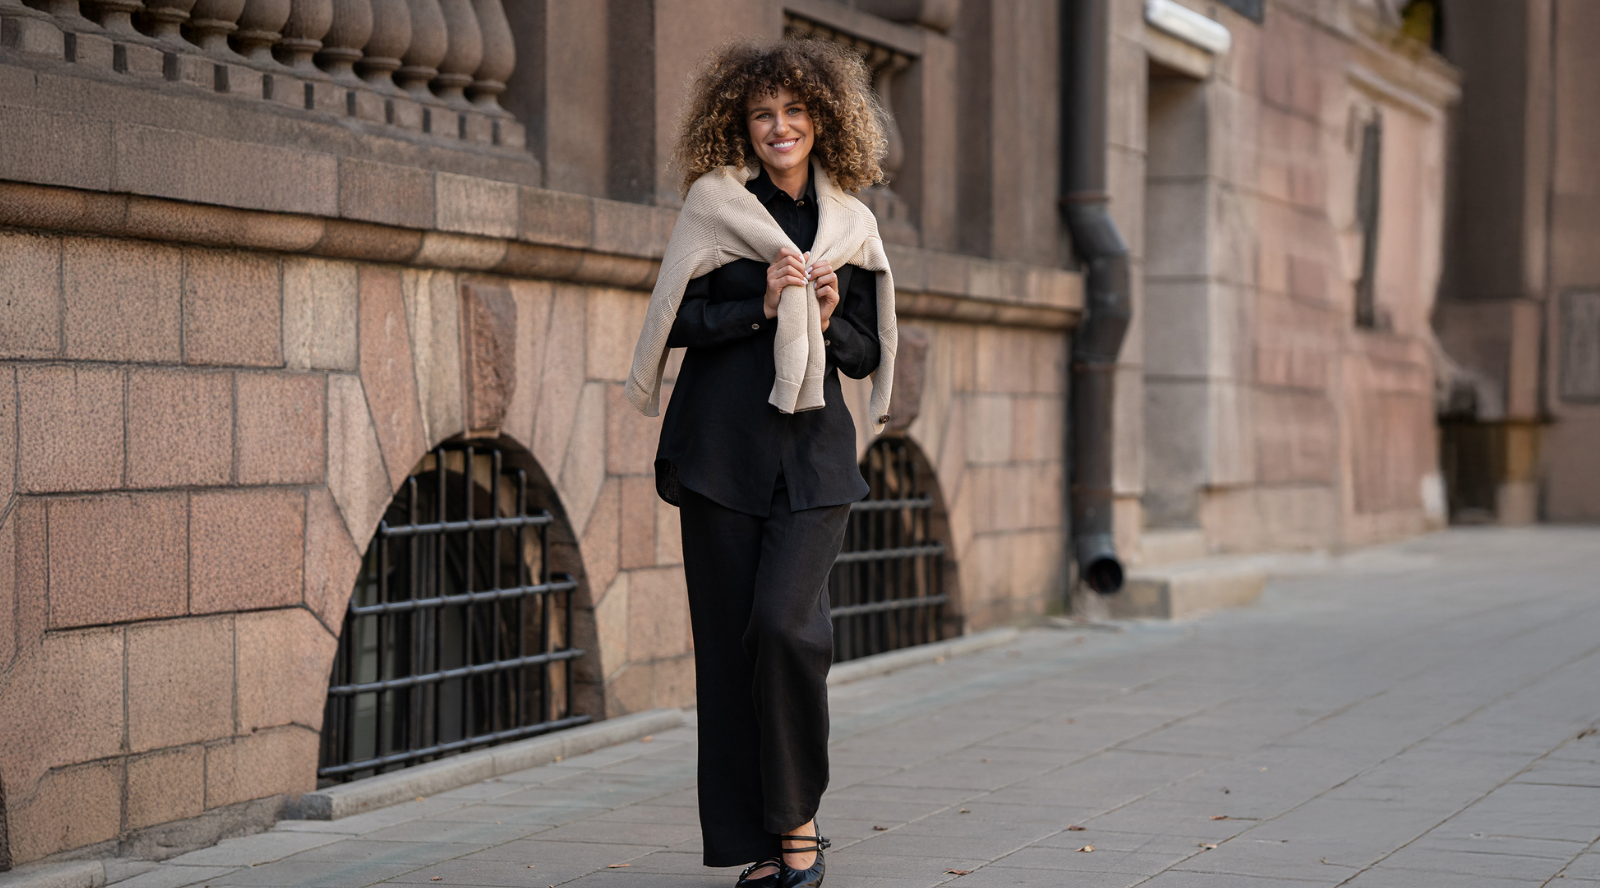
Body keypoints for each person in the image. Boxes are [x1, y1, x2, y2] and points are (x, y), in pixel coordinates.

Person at [625, 38, 899, 888]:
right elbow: (678, 320)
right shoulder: (715, 207)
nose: (780, 127)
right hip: (721, 456)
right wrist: (763, 305)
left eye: (794, 110)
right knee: (729, 650)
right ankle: (766, 843)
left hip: (814, 462)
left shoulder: (851, 226)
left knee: (786, 628)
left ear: (823, 119)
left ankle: (799, 826)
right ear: (739, 125)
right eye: (762, 114)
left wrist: (827, 315)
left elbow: (866, 351)